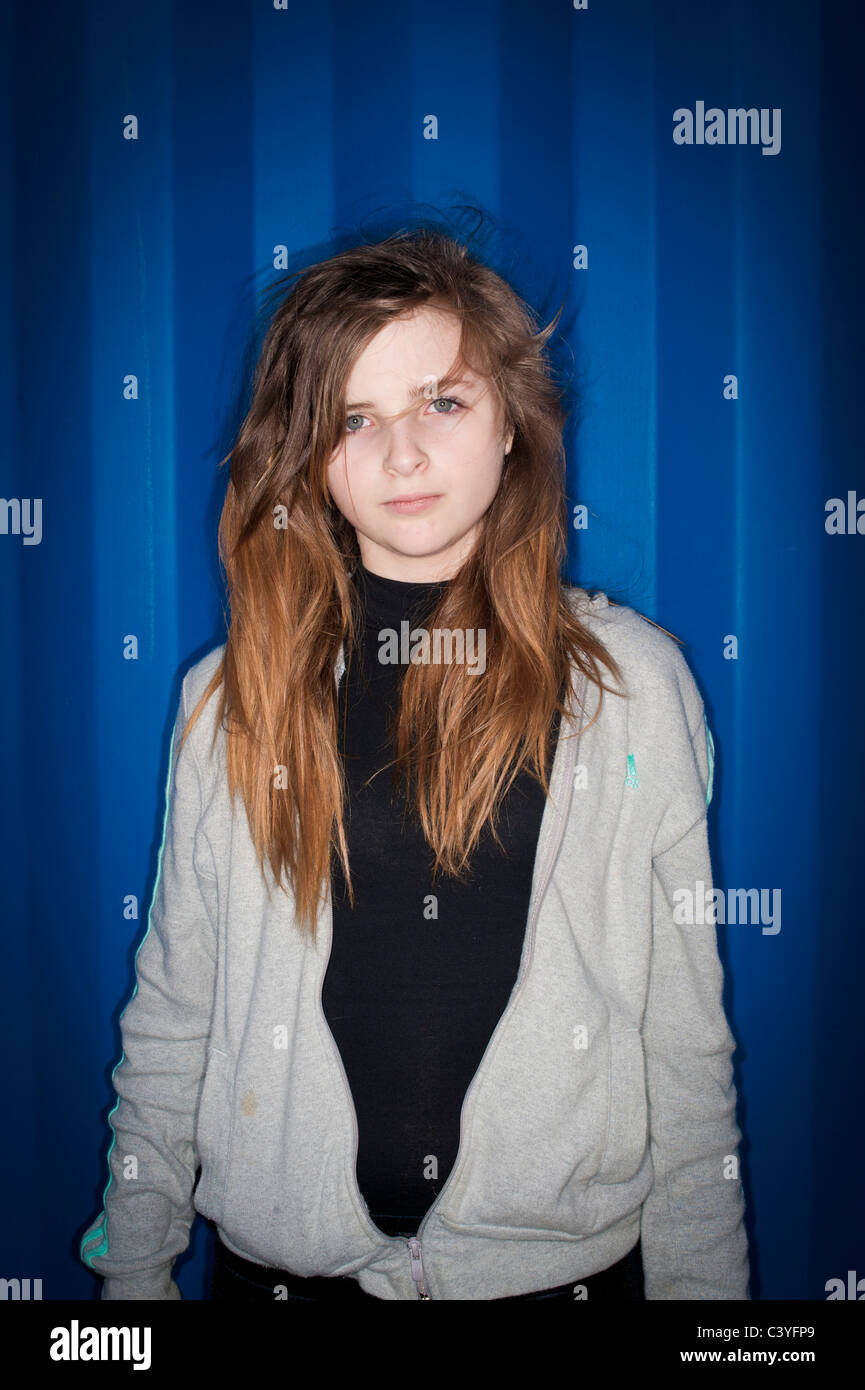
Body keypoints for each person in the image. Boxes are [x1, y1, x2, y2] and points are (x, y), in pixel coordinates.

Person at [79, 228, 750, 1301]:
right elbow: (173, 1018)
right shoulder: (228, 701)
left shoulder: (632, 688)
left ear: (512, 428)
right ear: (307, 452)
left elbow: (683, 1047)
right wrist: (131, 1281)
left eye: (443, 402)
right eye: (355, 417)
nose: (401, 454)